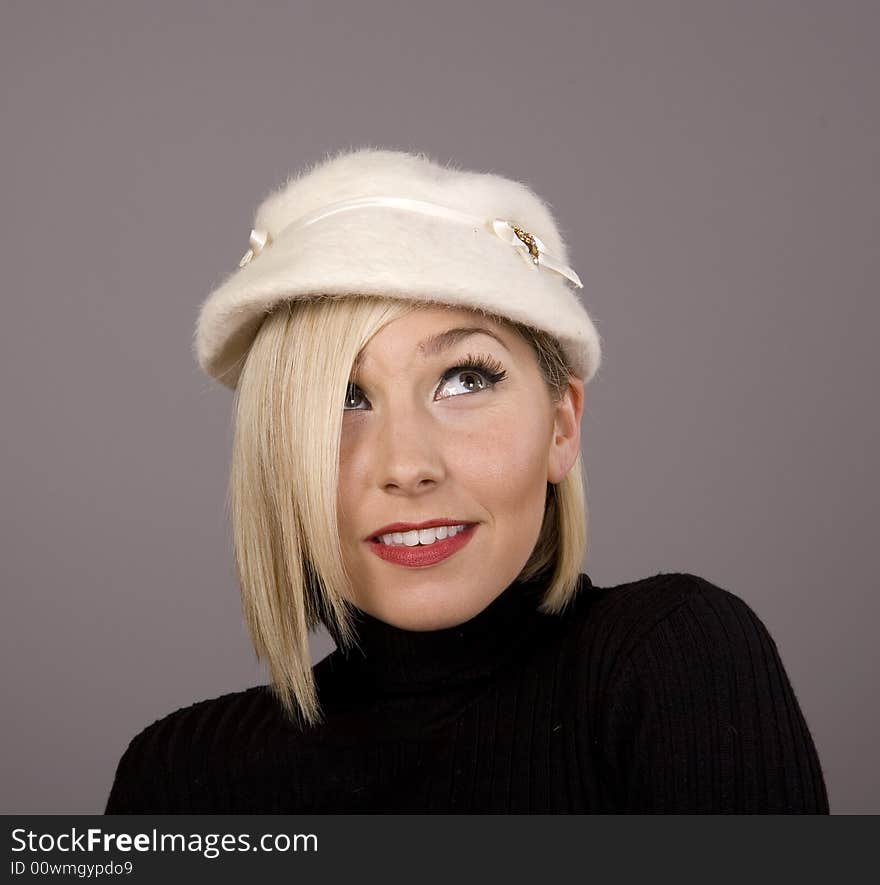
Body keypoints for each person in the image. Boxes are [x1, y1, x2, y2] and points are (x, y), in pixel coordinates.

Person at [104, 147, 829, 813]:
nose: (407, 465)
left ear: (561, 425)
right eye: (341, 398)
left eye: (465, 378)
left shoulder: (672, 663)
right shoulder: (180, 775)